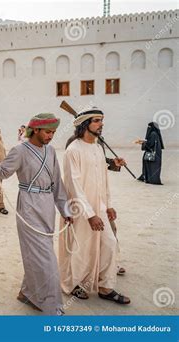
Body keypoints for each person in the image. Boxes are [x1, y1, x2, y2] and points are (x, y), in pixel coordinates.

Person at [0, 113, 72, 315]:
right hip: (28, 206)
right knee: (46, 259)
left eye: (53, 132)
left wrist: (65, 210)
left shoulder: (51, 151)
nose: (51, 136)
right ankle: (52, 306)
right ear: (35, 130)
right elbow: (1, 173)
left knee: (37, 254)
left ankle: (28, 293)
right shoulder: (19, 150)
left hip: (47, 208)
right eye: (47, 132)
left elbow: (57, 183)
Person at [59, 108, 131, 305]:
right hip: (79, 209)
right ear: (85, 124)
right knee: (81, 248)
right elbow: (74, 185)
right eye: (97, 121)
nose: (101, 124)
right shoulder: (73, 150)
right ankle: (75, 284)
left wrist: (107, 205)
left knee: (109, 243)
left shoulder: (98, 148)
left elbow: (103, 180)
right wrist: (89, 214)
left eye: (102, 120)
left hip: (99, 208)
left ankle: (106, 287)